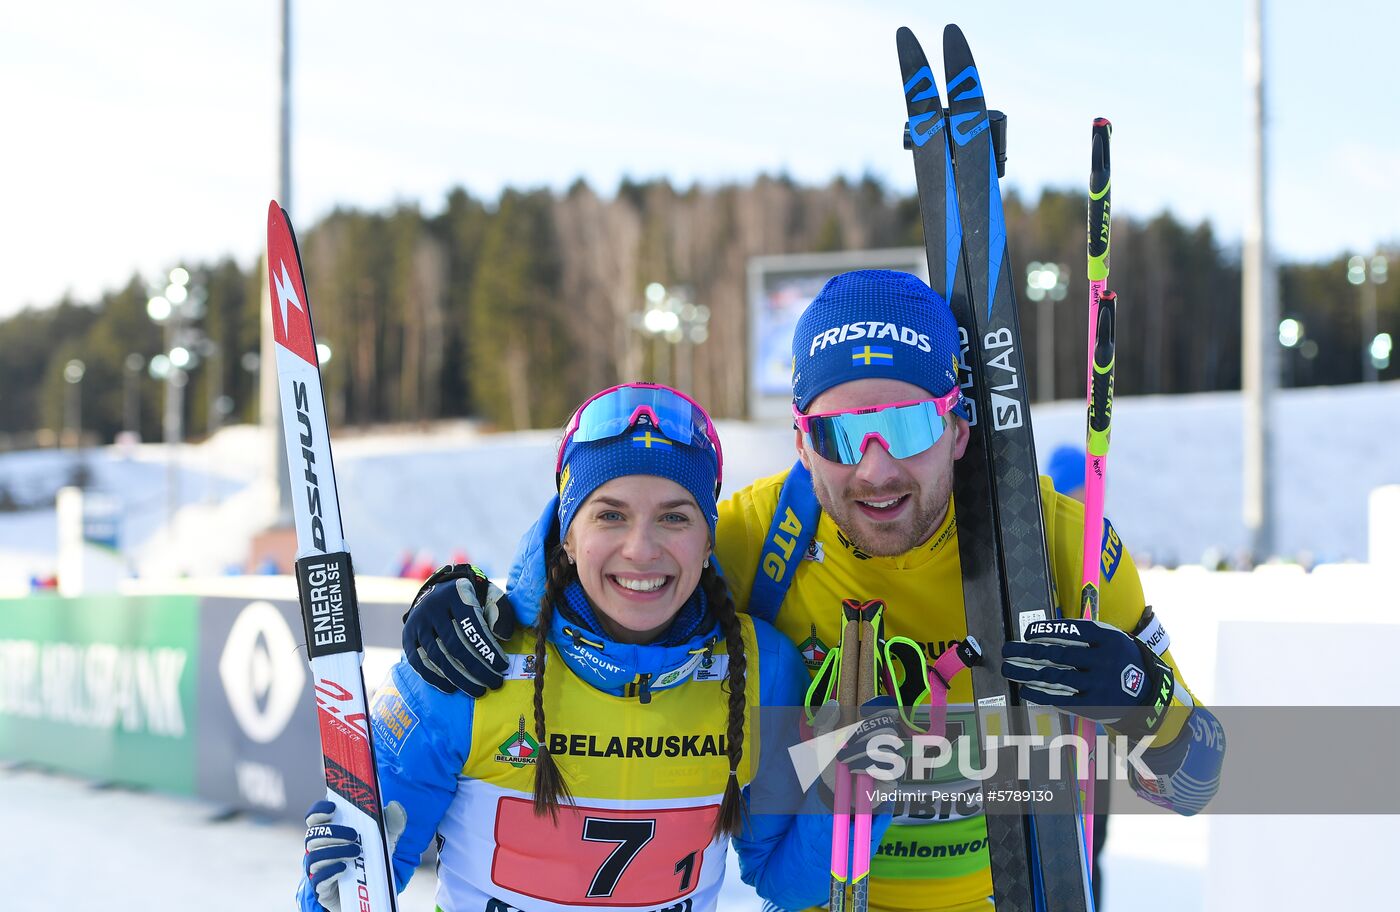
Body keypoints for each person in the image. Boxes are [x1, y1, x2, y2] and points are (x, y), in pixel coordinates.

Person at [404, 272, 1225, 912]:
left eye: (905, 426)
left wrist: (1140, 700)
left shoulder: (1056, 546)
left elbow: (1199, 782)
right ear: (801, 441)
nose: (873, 467)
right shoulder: (750, 540)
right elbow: (610, 554)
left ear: (959, 428)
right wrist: (466, 596)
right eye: (836, 434)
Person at [297, 382, 880, 912]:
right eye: (610, 515)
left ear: (708, 540)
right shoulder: (474, 659)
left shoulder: (763, 669)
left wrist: (862, 780)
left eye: (675, 518)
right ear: (568, 532)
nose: (641, 549)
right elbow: (362, 882)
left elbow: (786, 880)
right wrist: (329, 887)